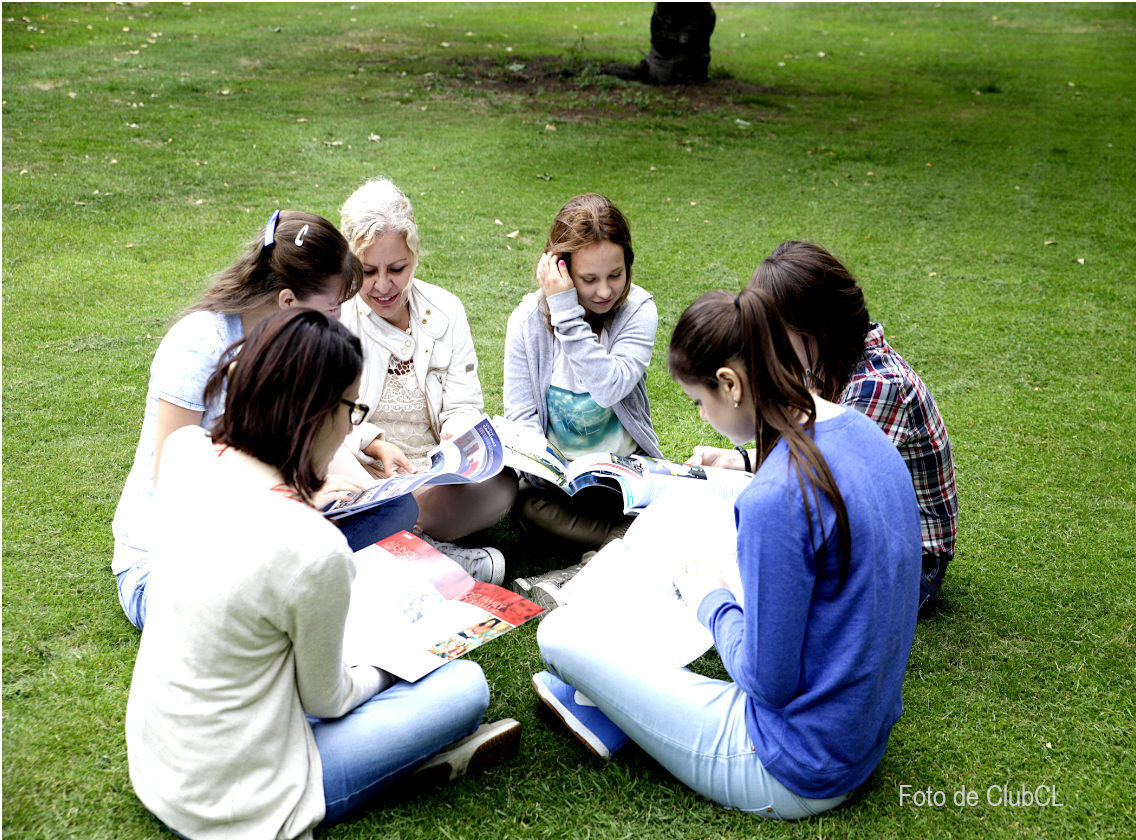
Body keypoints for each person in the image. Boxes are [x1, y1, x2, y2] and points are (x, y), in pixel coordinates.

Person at [126, 309, 521, 840]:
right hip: (236, 801)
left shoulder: (186, 453)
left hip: (158, 762)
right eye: (353, 409)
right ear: (320, 415)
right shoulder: (310, 546)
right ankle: (400, 766)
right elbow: (327, 701)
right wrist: (402, 663)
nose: (352, 426)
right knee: (462, 686)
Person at [534, 288, 921, 819]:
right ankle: (612, 708)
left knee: (558, 635)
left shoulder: (778, 495)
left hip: (793, 766)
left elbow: (768, 681)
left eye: (698, 401)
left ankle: (612, 710)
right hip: (858, 734)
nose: (701, 415)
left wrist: (712, 600)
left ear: (731, 384)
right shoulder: (864, 432)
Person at [111, 210, 417, 631]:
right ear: (288, 301)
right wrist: (293, 504)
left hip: (263, 537)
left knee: (394, 509)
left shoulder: (293, 346)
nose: (339, 321)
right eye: (330, 309)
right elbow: (175, 498)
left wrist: (365, 490)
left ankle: (366, 582)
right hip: (170, 572)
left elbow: (314, 448)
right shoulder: (198, 346)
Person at [689, 241, 958, 616]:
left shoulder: (876, 386)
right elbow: (807, 457)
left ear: (814, 327)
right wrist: (739, 461)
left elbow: (816, 485)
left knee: (768, 570)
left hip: (915, 568)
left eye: (776, 334)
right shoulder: (829, 362)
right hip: (868, 531)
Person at [337, 178, 516, 584]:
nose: (383, 285)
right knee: (347, 487)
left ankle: (400, 544)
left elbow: (463, 406)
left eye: (397, 269)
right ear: (350, 265)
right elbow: (323, 420)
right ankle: (429, 551)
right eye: (368, 272)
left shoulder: (446, 310)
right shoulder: (336, 316)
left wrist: (458, 444)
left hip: (433, 480)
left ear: (415, 253)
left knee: (503, 484)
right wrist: (378, 445)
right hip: (365, 477)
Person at [503, 193, 662, 609]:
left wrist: (567, 314)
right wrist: (549, 471)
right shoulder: (525, 322)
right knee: (526, 507)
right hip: (558, 491)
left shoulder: (638, 311)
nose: (605, 291)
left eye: (616, 274)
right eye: (588, 279)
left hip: (624, 483)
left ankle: (591, 566)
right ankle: (632, 542)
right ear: (560, 269)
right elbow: (521, 422)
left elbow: (609, 386)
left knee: (674, 503)